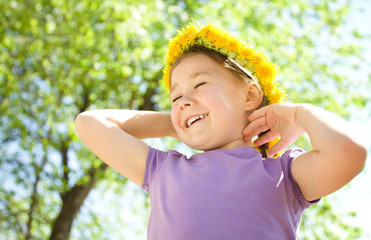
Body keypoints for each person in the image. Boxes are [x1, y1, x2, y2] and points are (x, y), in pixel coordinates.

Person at [74, 23, 368, 239]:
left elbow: (349, 153)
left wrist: (297, 114)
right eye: (176, 98)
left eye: (200, 84)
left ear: (250, 96)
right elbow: (89, 124)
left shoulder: (283, 173)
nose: (184, 101)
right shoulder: (163, 170)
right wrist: (181, 121)